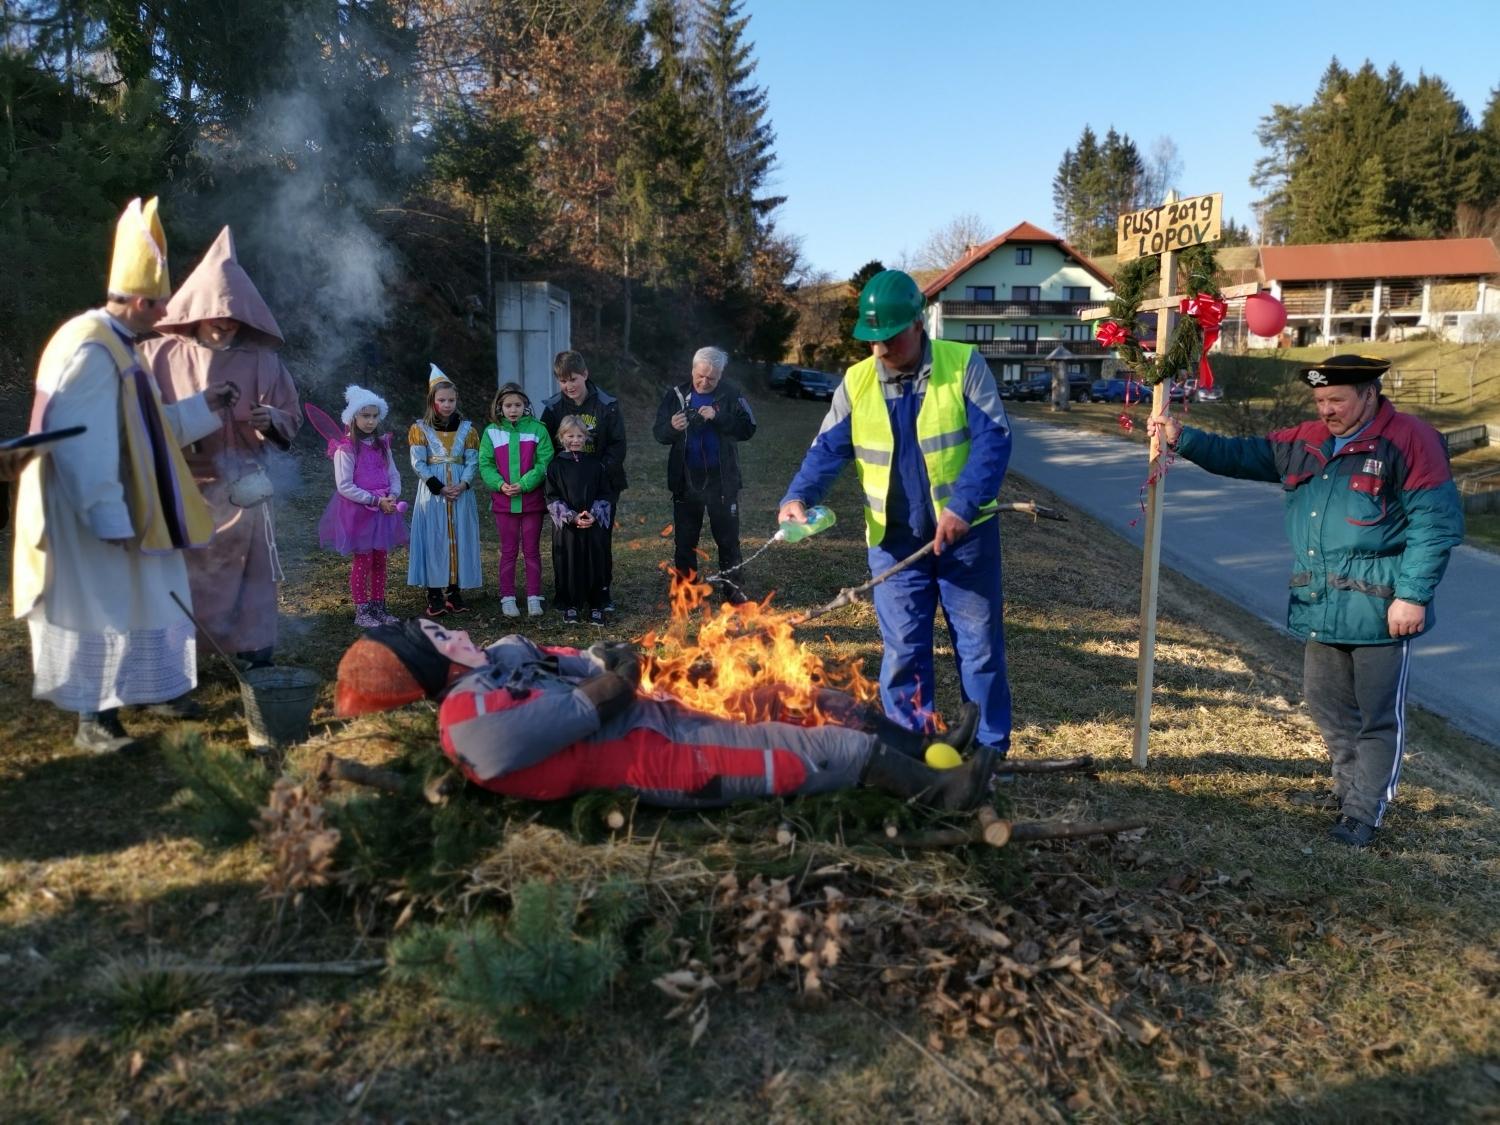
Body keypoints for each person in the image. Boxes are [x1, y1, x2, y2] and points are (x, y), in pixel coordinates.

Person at [1146, 354, 1465, 848]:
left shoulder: (1410, 440)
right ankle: (1347, 794)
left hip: (1381, 610)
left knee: (1377, 717)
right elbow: (1241, 455)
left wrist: (1412, 596)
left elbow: (1435, 526)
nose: (1327, 410)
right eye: (1319, 400)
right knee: (1328, 710)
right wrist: (1182, 438)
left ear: (1369, 394)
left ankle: (1364, 814)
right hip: (1319, 603)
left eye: (1337, 399)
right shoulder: (1306, 441)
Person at [11, 197, 241, 753]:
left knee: (154, 591)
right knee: (100, 606)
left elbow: (147, 430)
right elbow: (81, 444)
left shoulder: (121, 346)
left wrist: (203, 405)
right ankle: (95, 721)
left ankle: (151, 687)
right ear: (139, 301)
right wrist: (107, 514)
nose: (164, 317)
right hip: (86, 508)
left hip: (126, 499)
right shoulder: (90, 349)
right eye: (158, 307)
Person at [333, 619, 993, 810]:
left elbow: (589, 664)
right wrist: (614, 674)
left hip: (663, 709)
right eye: (435, 635)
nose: (448, 629)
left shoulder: (501, 654)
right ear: (428, 663)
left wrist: (619, 660)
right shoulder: (468, 722)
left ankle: (928, 743)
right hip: (663, 757)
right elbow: (586, 706)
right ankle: (944, 792)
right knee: (813, 747)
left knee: (809, 698)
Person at [777, 269, 1014, 757]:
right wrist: (797, 495)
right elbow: (826, 449)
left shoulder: (963, 364)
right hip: (894, 544)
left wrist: (963, 506)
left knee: (980, 650)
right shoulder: (857, 382)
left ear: (918, 324)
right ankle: (912, 749)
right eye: (872, 340)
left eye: (890, 338)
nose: (880, 350)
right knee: (905, 652)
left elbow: (994, 439)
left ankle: (989, 751)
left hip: (965, 540)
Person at [138, 227, 302, 675]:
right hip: (183, 487)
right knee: (184, 575)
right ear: (197, 311)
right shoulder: (156, 356)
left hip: (244, 487)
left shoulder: (263, 362)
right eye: (218, 313)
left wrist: (273, 421)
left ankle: (253, 648)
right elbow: (140, 420)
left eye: (234, 314)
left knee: (250, 574)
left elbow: (290, 414)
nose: (225, 322)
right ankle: (180, 651)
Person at [652, 346, 758, 604]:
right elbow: (659, 433)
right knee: (685, 541)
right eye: (700, 375)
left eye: (711, 378)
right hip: (686, 482)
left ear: (720, 375)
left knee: (728, 540)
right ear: (693, 370)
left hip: (722, 481)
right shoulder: (676, 395)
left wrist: (719, 417)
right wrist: (671, 427)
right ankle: (687, 592)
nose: (704, 382)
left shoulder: (731, 395)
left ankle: (733, 591)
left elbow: (748, 428)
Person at [315, 384, 408, 627]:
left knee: (380, 559)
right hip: (360, 511)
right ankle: (362, 611)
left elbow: (393, 474)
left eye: (375, 416)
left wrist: (392, 496)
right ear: (353, 417)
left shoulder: (382, 444)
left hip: (384, 509)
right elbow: (344, 485)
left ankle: (379, 606)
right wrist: (376, 500)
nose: (370, 421)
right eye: (365, 416)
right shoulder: (345, 449)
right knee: (363, 561)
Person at [540, 351, 626, 611]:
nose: (569, 386)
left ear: (585, 375)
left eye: (573, 379)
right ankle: (566, 593)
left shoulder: (607, 405)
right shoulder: (554, 408)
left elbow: (618, 444)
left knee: (599, 541)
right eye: (563, 381)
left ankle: (600, 593)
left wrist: (599, 469)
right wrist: (558, 473)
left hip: (601, 484)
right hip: (567, 487)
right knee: (567, 541)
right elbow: (546, 445)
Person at [407, 365, 483, 616]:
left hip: (460, 491)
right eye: (442, 400)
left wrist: (463, 484)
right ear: (433, 401)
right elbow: (418, 463)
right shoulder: (420, 429)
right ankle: (434, 593)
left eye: (451, 399)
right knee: (435, 537)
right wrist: (438, 488)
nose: (447, 404)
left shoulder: (468, 430)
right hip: (434, 493)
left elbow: (473, 460)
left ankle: (455, 591)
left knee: (459, 536)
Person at [478, 382, 553, 619]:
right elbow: (485, 464)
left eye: (518, 405)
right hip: (504, 503)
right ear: (500, 407)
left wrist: (524, 484)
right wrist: (500, 484)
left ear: (525, 406)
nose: (513, 409)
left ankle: (533, 596)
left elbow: (544, 462)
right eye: (508, 405)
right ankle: (508, 597)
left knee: (532, 550)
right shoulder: (491, 431)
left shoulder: (538, 430)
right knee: (508, 551)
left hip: (531, 501)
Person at [546, 415, 611, 625]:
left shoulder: (595, 465)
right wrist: (571, 517)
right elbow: (551, 496)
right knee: (568, 562)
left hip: (592, 523)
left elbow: (605, 493)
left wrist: (594, 513)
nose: (575, 439)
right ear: (561, 437)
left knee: (595, 562)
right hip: (568, 528)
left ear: (586, 437)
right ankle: (570, 604)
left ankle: (596, 605)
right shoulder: (555, 466)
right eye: (570, 435)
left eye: (579, 435)